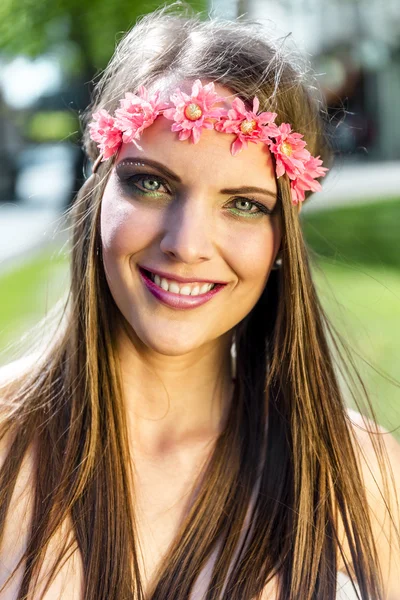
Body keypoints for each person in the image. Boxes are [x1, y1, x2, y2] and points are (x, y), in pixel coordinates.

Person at [0, 6, 399, 600]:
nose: (186, 245)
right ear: (98, 188)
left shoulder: (365, 475)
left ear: (282, 237)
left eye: (243, 203)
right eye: (151, 182)